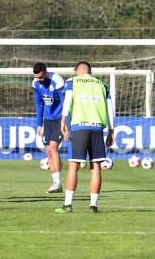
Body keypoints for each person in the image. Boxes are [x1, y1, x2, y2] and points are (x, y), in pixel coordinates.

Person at [56, 61, 113, 214]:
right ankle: (93, 206)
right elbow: (110, 108)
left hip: (80, 126)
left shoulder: (72, 82)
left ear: (77, 70)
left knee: (74, 166)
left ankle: (67, 204)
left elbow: (67, 100)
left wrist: (63, 120)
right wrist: (112, 130)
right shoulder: (101, 84)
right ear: (90, 71)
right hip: (97, 128)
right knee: (96, 168)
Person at [32, 62, 66, 194]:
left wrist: (66, 123)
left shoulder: (57, 81)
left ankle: (58, 183)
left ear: (46, 72)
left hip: (59, 120)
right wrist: (39, 124)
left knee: (53, 148)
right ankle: (56, 181)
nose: (38, 80)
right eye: (36, 77)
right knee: (48, 152)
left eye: (40, 77)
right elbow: (39, 104)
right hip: (47, 120)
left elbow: (65, 102)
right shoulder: (35, 84)